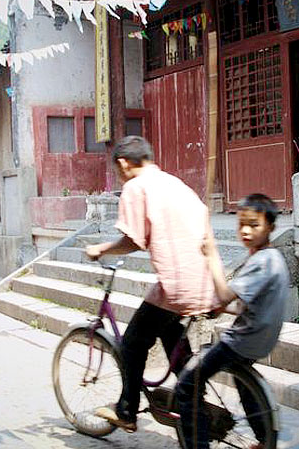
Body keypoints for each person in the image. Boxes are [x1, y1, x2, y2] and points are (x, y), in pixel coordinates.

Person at [86, 135, 218, 433]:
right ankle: (196, 398)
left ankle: (127, 411)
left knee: (132, 344)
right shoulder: (175, 183)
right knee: (170, 336)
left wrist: (101, 249)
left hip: (176, 285)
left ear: (122, 163)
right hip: (203, 280)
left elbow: (133, 240)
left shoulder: (136, 187)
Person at [176, 193, 289, 449]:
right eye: (242, 225)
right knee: (245, 385)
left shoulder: (262, 262)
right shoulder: (274, 258)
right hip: (260, 339)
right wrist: (220, 310)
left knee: (186, 386)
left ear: (270, 227)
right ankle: (263, 439)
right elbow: (244, 304)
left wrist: (212, 256)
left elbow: (225, 296)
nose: (246, 231)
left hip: (242, 341)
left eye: (254, 225)